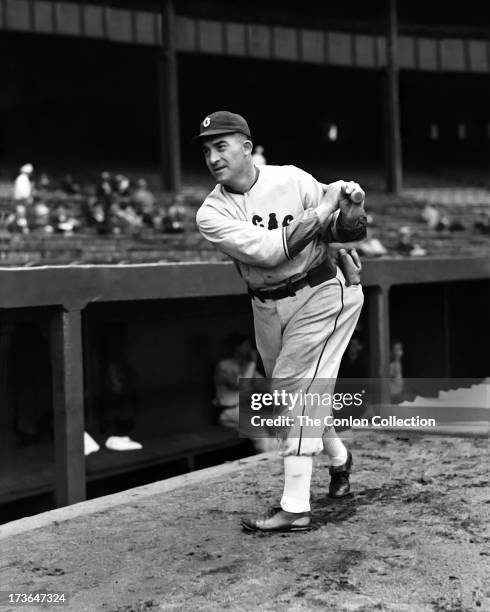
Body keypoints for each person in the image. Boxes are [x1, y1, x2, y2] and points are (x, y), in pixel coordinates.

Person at [195, 111, 367, 532]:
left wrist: (349, 212)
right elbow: (273, 251)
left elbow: (346, 231)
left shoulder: (290, 179)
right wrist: (324, 210)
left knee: (294, 387)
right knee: (295, 394)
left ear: (247, 147)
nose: (213, 157)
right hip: (267, 305)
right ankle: (340, 461)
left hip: (323, 291)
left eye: (221, 145)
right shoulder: (211, 213)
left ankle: (295, 507)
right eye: (206, 150)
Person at [214, 333, 275, 453]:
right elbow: (242, 385)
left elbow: (264, 385)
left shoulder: (246, 366)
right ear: (237, 348)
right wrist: (252, 362)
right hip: (229, 412)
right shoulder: (224, 366)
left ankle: (276, 466)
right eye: (245, 346)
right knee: (262, 437)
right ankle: (265, 464)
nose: (248, 349)